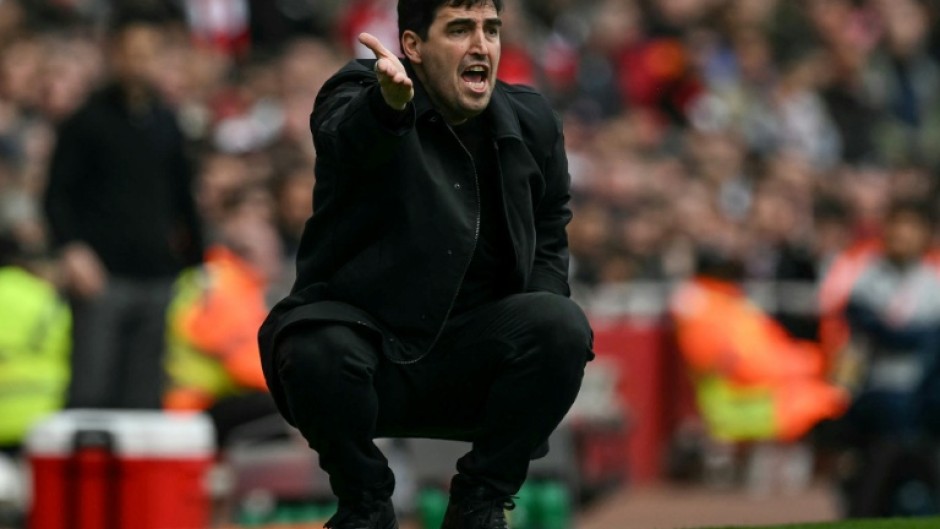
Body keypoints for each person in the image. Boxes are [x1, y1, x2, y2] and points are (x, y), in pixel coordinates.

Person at [258, 1, 594, 528]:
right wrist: (388, 108)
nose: (481, 45)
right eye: (459, 30)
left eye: (491, 30)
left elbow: (551, 225)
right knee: (310, 342)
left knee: (561, 325)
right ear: (413, 47)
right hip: (369, 354)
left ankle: (480, 502)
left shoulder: (532, 120)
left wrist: (543, 299)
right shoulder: (358, 91)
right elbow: (343, 139)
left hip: (472, 358)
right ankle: (365, 505)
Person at [43, 8, 204, 409]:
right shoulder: (86, 121)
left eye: (149, 53)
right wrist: (73, 250)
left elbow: (183, 197)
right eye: (131, 52)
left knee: (146, 397)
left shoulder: (167, 122)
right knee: (92, 391)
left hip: (157, 276)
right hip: (102, 277)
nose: (140, 63)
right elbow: (56, 194)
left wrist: (195, 261)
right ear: (113, 54)